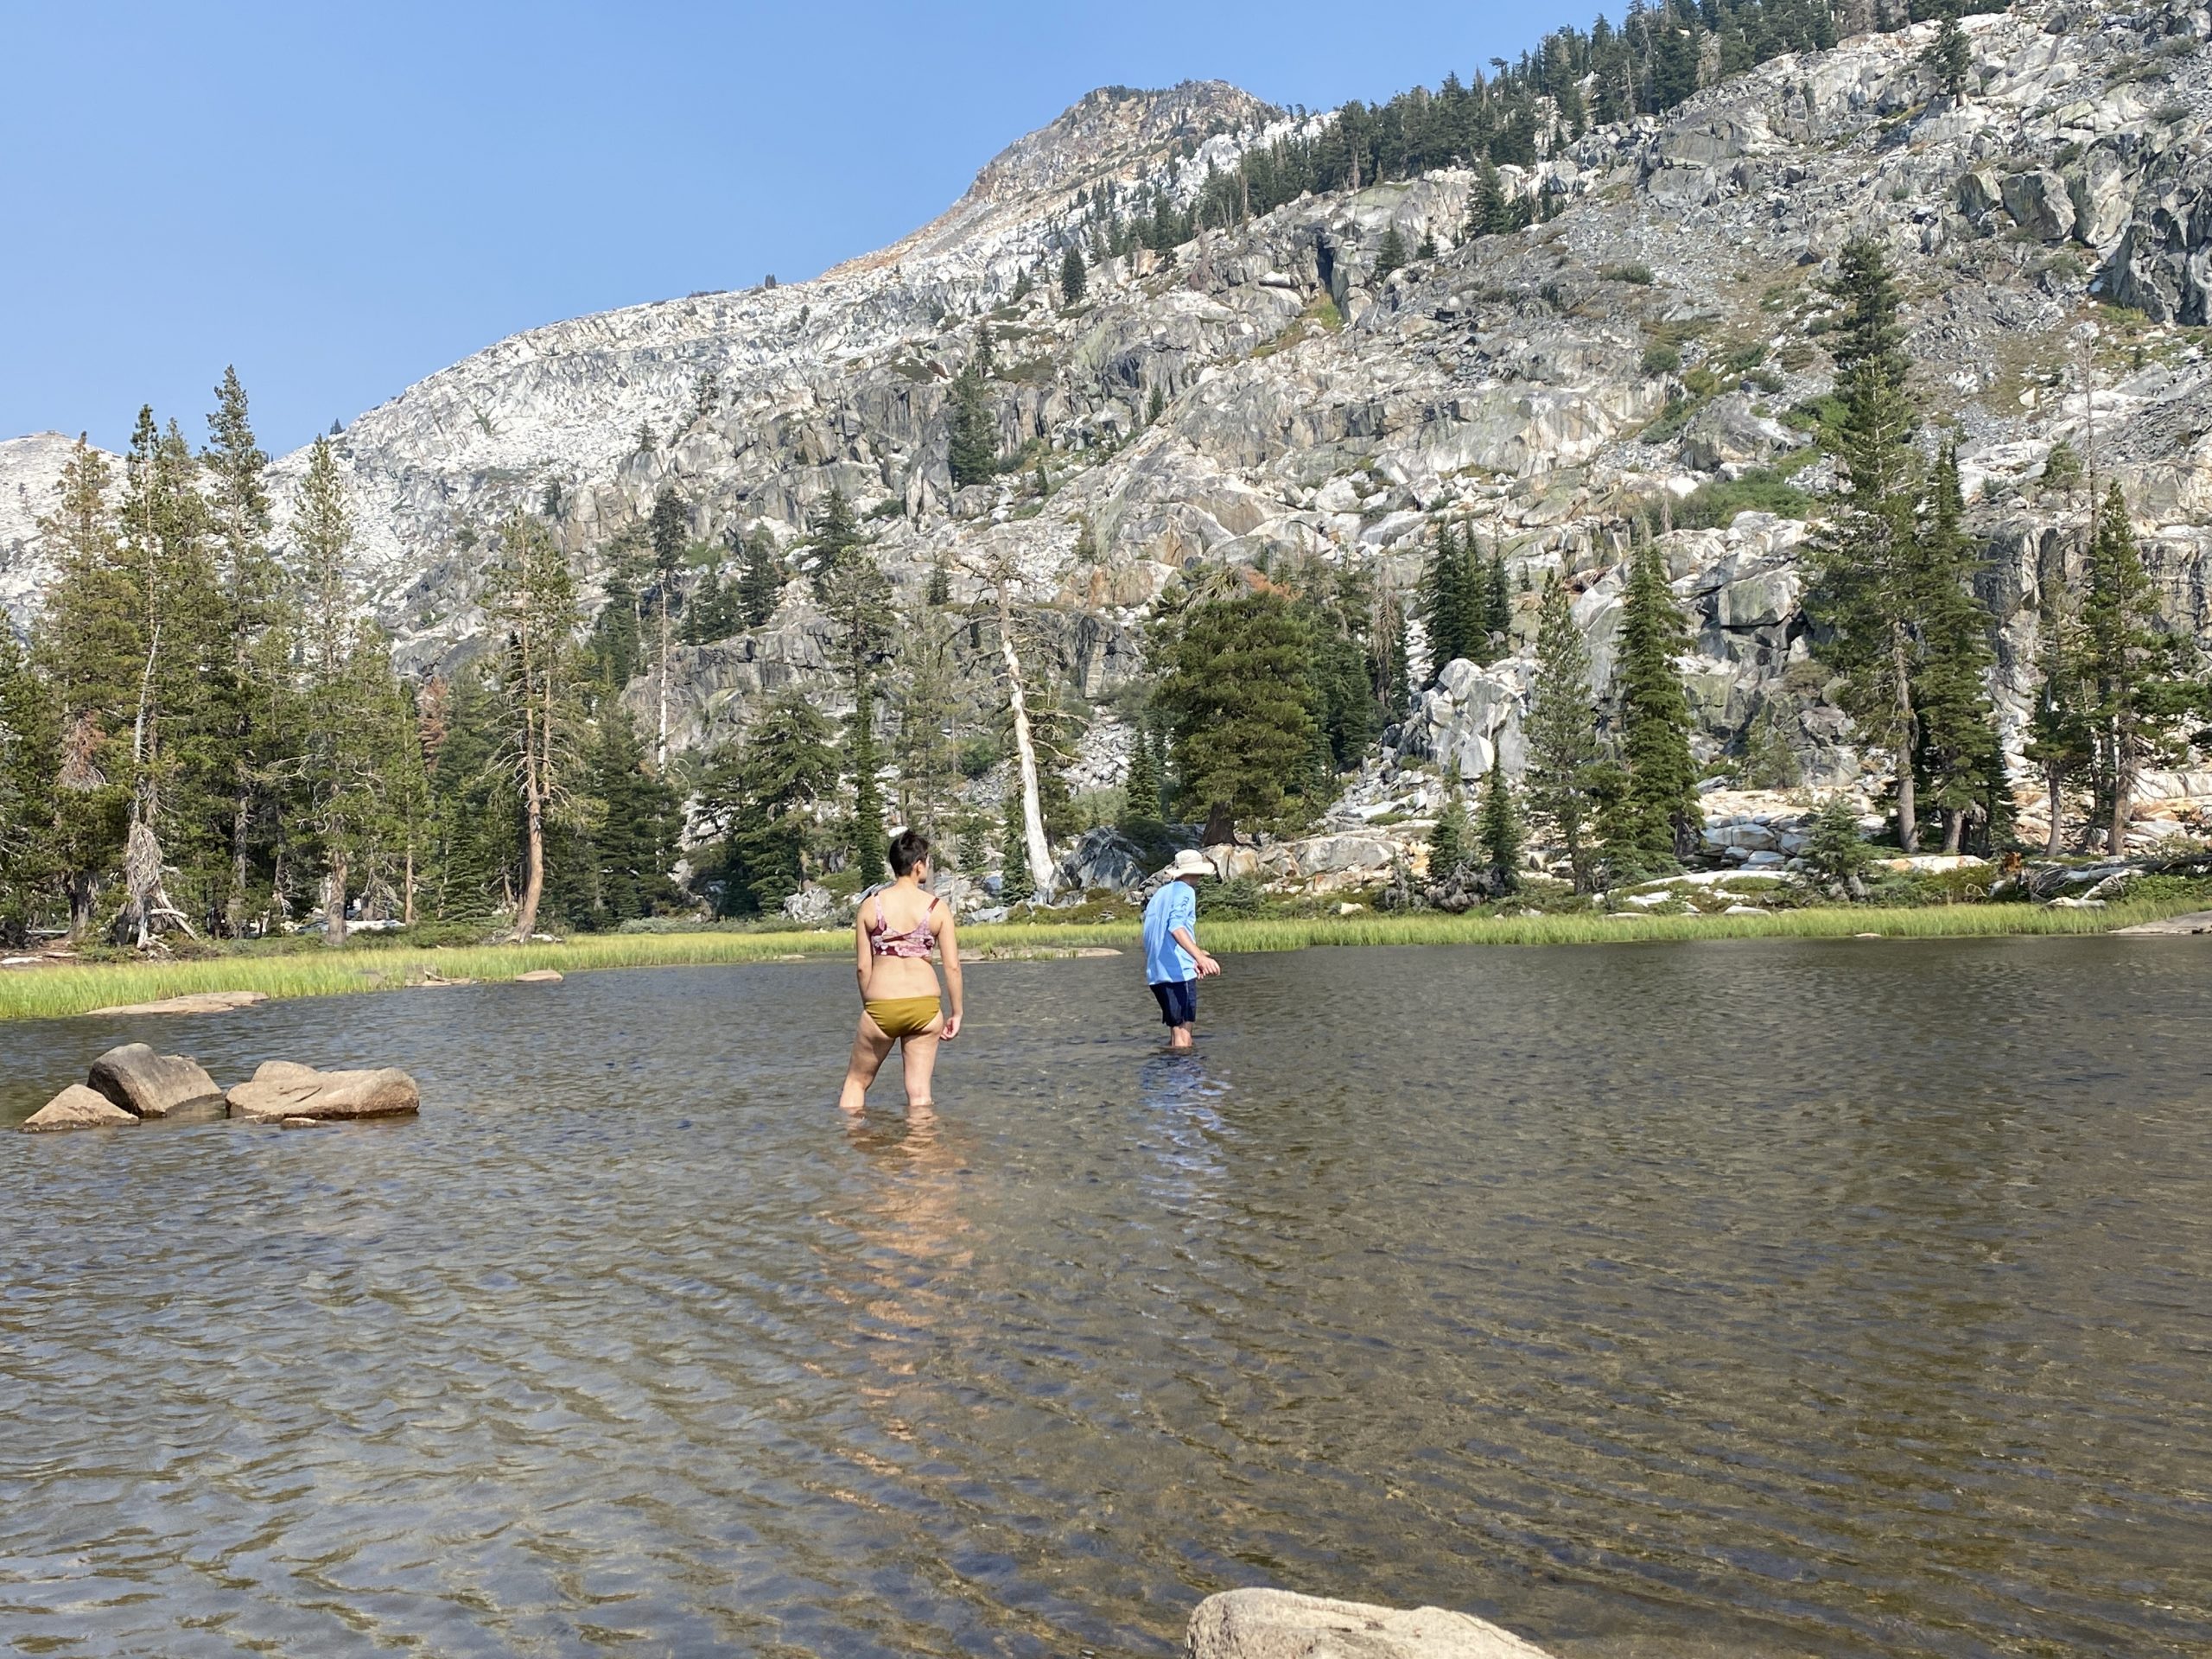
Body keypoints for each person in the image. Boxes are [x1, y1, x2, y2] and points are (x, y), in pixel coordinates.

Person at [839, 829, 963, 1117]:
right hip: (925, 1006)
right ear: (919, 864)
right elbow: (952, 967)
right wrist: (956, 1012)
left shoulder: (871, 907)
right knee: (920, 1094)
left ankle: (853, 1150)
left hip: (882, 1004)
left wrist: (871, 1004)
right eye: (927, 861)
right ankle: (920, 1152)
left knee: (856, 1082)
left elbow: (862, 967)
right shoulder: (937, 908)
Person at [1142, 849, 1221, 1051]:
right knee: (1184, 1037)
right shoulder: (1186, 891)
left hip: (1157, 974)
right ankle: (1186, 1081)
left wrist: (1196, 954)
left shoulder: (1160, 894)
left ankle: (1173, 1079)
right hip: (1177, 973)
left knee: (1175, 1032)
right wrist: (1200, 959)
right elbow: (1175, 927)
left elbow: (1156, 934)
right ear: (1197, 871)